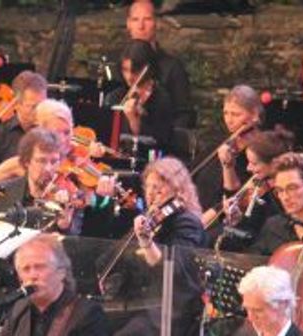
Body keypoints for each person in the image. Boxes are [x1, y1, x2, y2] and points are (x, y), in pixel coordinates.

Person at [104, 157, 206, 336]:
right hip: (140, 304)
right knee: (94, 327)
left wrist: (147, 243)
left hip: (169, 314)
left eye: (158, 188)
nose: (150, 194)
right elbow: (112, 258)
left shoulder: (187, 223)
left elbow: (174, 271)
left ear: (178, 190)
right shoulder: (153, 220)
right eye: (148, 187)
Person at [122, 0, 194, 128]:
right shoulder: (122, 64)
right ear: (128, 24)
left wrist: (163, 138)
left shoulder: (173, 67)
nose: (141, 26)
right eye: (135, 20)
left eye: (147, 19)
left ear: (156, 22)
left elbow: (184, 116)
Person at [196, 85, 264, 210]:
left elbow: (238, 199)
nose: (229, 120)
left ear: (255, 114)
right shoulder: (219, 143)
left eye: (236, 114)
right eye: (226, 113)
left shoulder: (260, 151)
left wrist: (228, 166)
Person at [0, 70, 48, 178]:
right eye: (33, 107)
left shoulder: (51, 132)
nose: (41, 111)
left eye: (44, 105)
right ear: (16, 105)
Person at [102, 40, 175, 153]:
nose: (129, 76)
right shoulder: (115, 97)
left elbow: (160, 142)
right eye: (125, 70)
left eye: (135, 71)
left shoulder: (161, 99)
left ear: (148, 69)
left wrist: (134, 120)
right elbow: (105, 136)